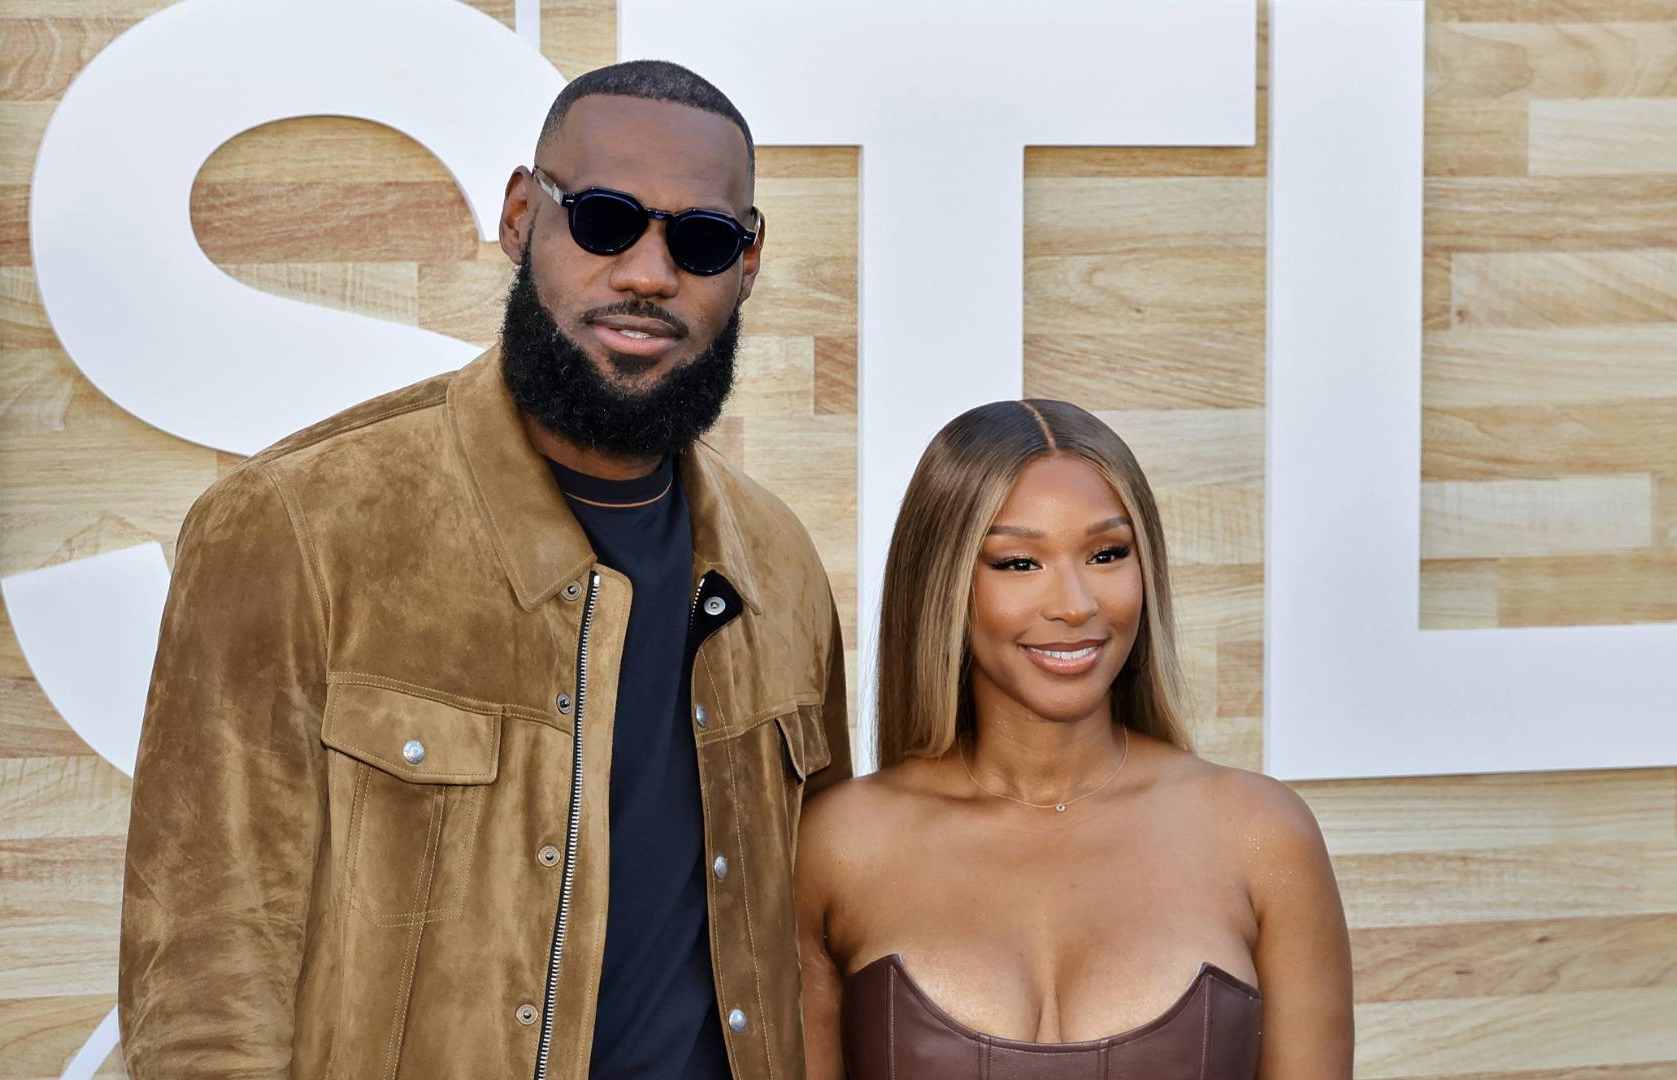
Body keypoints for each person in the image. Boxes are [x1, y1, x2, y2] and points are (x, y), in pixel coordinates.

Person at [119, 60, 853, 1080]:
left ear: (749, 258)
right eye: (603, 219)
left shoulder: (778, 563)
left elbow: (816, 944)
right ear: (521, 216)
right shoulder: (297, 526)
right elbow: (203, 990)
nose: (647, 273)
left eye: (700, 238)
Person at [795, 400, 1353, 1078]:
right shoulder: (836, 846)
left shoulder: (1262, 836)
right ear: (943, 583)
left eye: (1106, 554)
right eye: (1018, 562)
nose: (1075, 604)